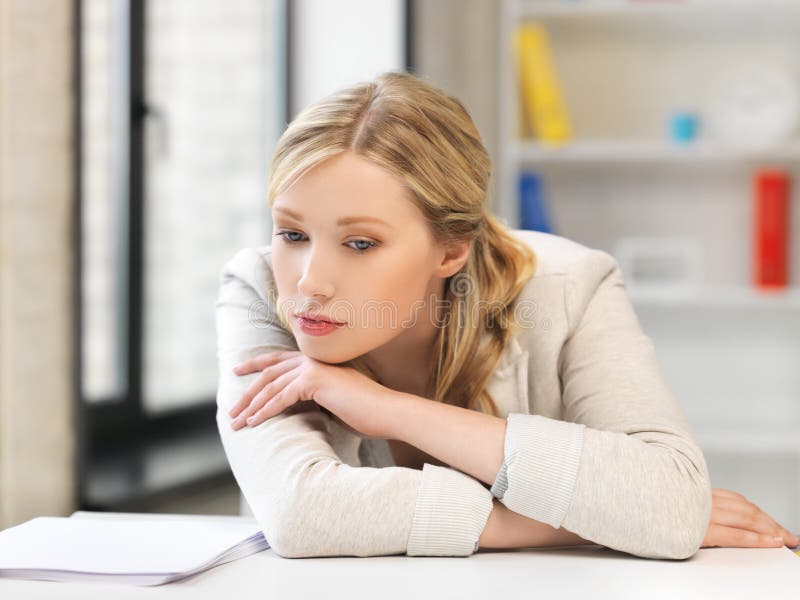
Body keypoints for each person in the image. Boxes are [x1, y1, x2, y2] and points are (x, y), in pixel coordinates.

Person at [215, 71, 799, 559]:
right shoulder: (258, 288)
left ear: (451, 249)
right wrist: (572, 520)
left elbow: (669, 499)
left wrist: (390, 410)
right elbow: (300, 513)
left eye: (361, 243)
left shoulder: (570, 285)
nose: (310, 282)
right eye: (292, 232)